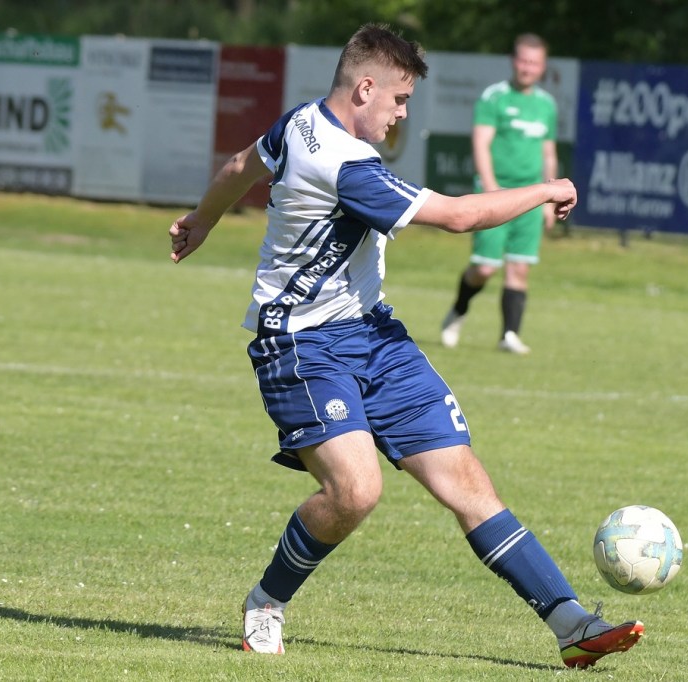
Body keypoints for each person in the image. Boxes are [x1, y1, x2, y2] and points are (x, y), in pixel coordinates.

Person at [168, 23, 642, 669]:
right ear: (365, 88)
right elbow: (459, 217)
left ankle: (572, 625)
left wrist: (202, 219)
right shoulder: (345, 165)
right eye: (399, 99)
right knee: (356, 491)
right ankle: (266, 602)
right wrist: (547, 188)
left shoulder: (300, 122)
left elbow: (237, 167)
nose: (402, 115)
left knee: (467, 482)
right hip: (302, 345)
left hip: (374, 335)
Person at [440, 33, 558, 355]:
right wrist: (491, 188)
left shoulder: (547, 105)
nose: (527, 68)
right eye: (523, 60)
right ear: (513, 61)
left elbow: (548, 153)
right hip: (495, 191)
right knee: (484, 268)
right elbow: (481, 143)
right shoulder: (494, 97)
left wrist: (549, 199)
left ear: (543, 66)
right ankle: (459, 310)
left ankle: (509, 335)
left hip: (531, 196)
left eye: (534, 63)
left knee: (519, 267)